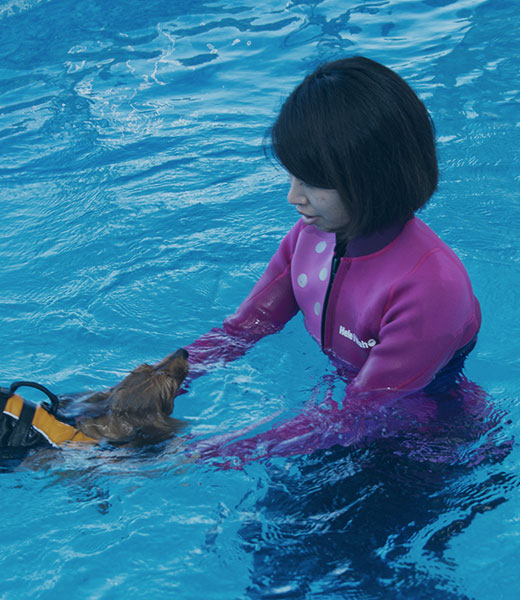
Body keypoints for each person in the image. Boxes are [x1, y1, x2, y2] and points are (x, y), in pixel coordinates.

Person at [182, 56, 482, 459]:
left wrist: (205, 455)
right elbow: (243, 330)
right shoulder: (310, 236)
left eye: (312, 182)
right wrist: (150, 386)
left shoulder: (430, 287)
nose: (293, 197)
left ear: (374, 178)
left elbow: (364, 410)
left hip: (428, 437)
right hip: (346, 416)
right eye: (292, 175)